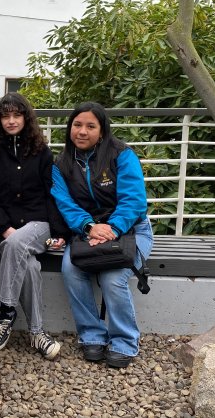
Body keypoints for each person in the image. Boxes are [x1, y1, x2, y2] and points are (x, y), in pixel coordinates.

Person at [50, 101, 153, 369]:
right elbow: (65, 204)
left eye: (90, 126)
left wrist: (112, 229)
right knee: (71, 270)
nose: (82, 131)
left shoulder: (122, 155)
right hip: (86, 230)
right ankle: (92, 334)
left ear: (102, 130)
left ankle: (125, 341)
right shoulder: (61, 164)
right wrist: (89, 227)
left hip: (130, 229)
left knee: (113, 277)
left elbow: (133, 201)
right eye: (77, 125)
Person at [0, 92, 67, 360]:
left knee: (16, 244)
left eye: (17, 115)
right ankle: (37, 333)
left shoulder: (40, 151)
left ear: (26, 118)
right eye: (6, 116)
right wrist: (4, 228)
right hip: (4, 228)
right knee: (30, 265)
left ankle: (5, 314)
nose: (11, 121)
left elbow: (51, 194)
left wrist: (59, 232)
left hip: (39, 224)